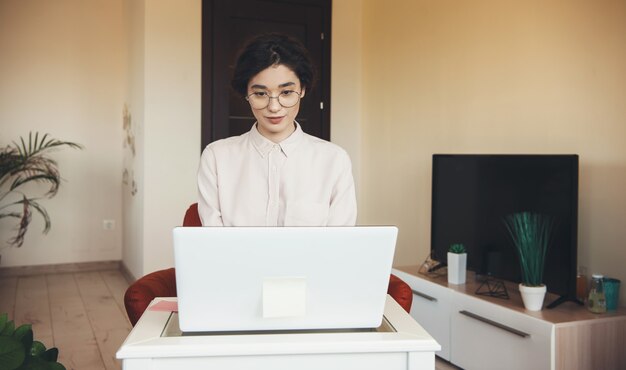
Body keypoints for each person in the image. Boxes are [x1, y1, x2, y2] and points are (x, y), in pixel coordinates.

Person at [198, 33, 357, 226]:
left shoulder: (334, 160)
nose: (274, 107)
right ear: (246, 93)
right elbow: (213, 244)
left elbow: (339, 245)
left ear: (303, 89)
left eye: (287, 92)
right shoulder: (216, 157)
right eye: (260, 93)